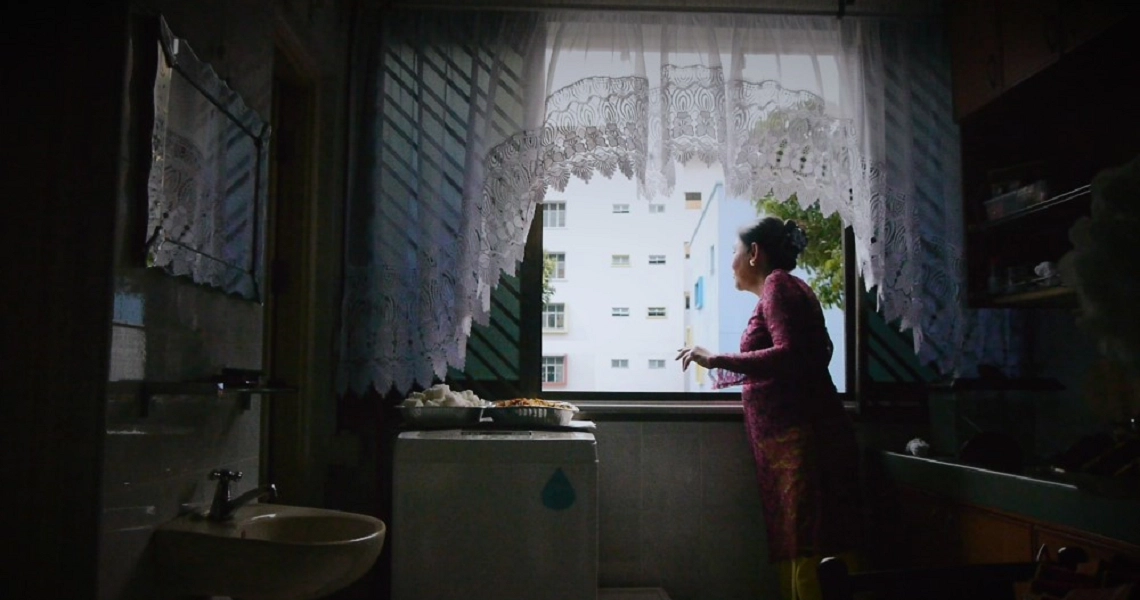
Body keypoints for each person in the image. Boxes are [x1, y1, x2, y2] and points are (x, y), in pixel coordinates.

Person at [676, 217, 863, 600]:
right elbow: (805, 355)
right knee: (808, 546)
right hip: (801, 443)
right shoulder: (789, 290)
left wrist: (716, 360)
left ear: (754, 254)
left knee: (811, 548)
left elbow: (790, 354)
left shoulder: (778, 285)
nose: (731, 261)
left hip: (804, 444)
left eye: (734, 252)